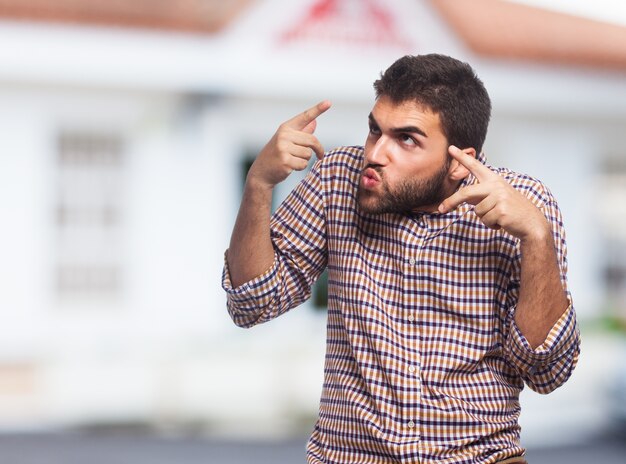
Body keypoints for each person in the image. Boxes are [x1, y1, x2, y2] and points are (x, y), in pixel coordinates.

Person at [222, 54, 580, 464]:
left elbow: (547, 372)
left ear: (461, 161)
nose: (376, 153)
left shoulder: (525, 205)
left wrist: (536, 237)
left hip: (478, 456)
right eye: (376, 130)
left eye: (406, 139)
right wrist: (258, 182)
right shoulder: (337, 178)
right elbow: (251, 304)